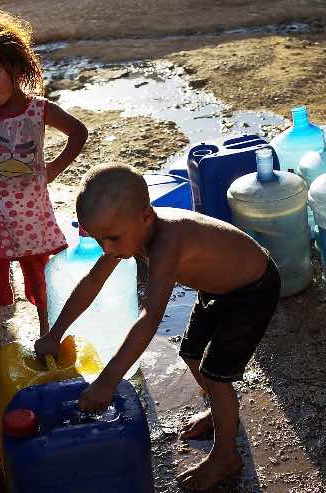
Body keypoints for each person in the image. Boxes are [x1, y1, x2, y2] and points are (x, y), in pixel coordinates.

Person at [34, 164, 280, 490]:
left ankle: (226, 456)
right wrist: (55, 333)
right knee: (192, 354)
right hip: (219, 290)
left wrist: (108, 381)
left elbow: (150, 317)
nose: (107, 249)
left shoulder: (167, 243)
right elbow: (92, 281)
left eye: (111, 238)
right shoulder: (129, 230)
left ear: (146, 216)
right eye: (99, 239)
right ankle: (222, 414)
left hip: (253, 289)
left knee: (218, 376)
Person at [0, 3, 88, 388]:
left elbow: (78, 133)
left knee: (42, 280)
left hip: (31, 214)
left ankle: (48, 340)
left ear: (15, 69)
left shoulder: (38, 110)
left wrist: (54, 169)